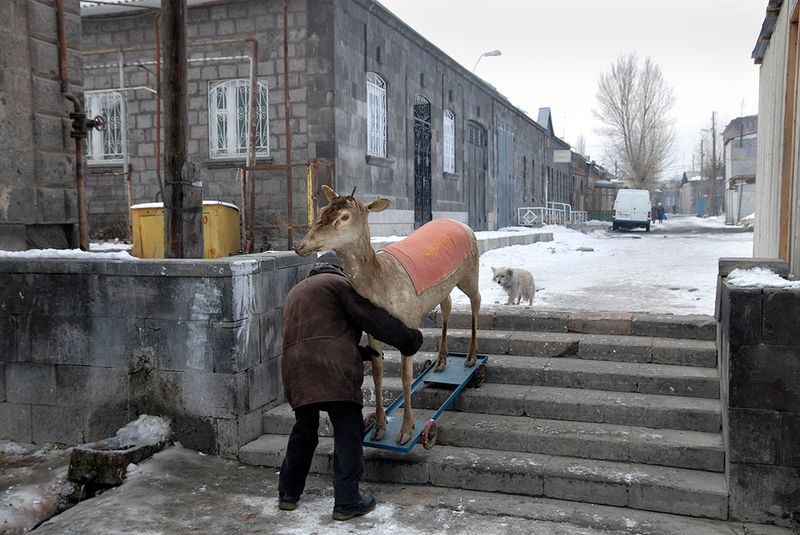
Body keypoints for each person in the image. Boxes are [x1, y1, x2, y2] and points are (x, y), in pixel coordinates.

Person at [278, 251, 424, 521]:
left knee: (304, 431)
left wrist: (357, 351)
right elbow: (373, 319)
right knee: (348, 431)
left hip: (295, 371)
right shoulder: (339, 285)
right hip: (333, 371)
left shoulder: (296, 291)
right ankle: (347, 501)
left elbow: (316, 336)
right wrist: (409, 339)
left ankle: (288, 493)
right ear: (340, 269)